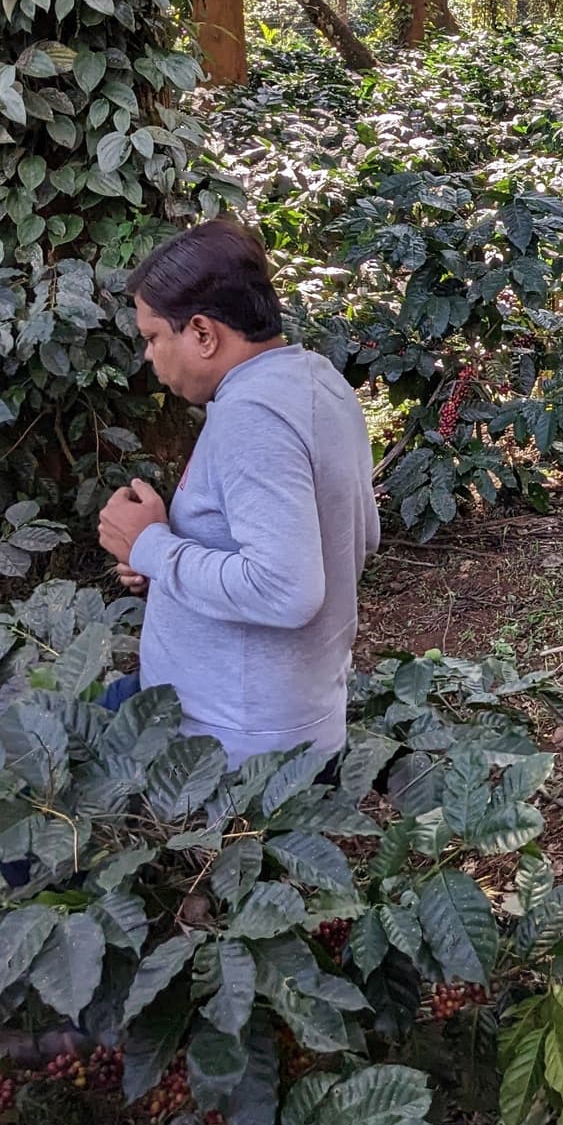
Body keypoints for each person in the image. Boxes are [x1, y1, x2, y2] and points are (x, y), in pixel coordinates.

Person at [97, 219, 379, 765]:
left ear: (202, 333)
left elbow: (286, 591)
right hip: (284, 718)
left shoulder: (252, 417)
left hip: (227, 745)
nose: (149, 357)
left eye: (154, 338)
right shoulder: (317, 380)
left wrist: (152, 547)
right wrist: (159, 556)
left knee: (21, 797)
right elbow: (356, 539)